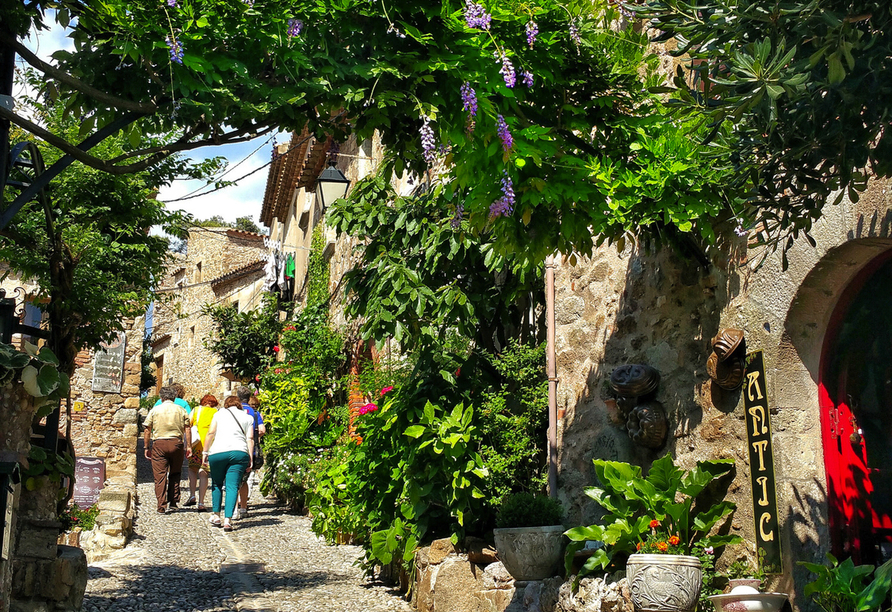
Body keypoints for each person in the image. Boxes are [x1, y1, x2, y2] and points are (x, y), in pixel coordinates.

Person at [202, 395, 254, 531]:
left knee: (217, 484)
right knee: (232, 486)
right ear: (239, 405)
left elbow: (210, 433)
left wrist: (205, 452)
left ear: (226, 404)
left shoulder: (219, 414)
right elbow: (250, 438)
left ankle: (216, 515)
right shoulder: (248, 418)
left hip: (218, 452)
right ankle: (228, 520)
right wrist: (250, 458)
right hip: (239, 452)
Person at [143, 385, 192, 513]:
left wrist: (146, 447)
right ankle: (174, 501)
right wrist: (189, 446)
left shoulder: (155, 410)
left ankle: (161, 505)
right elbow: (188, 428)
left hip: (159, 443)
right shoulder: (181, 410)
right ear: (174, 397)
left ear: (161, 397)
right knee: (175, 473)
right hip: (177, 443)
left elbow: (147, 429)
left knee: (160, 475)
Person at [236, 386, 265, 519]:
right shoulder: (254, 413)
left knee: (233, 479)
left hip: (235, 447)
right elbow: (262, 430)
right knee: (245, 479)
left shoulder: (233, 410)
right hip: (249, 449)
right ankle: (243, 507)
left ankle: (234, 507)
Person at [185, 394, 219, 510]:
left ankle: (192, 495)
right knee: (204, 473)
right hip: (209, 445)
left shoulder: (196, 410)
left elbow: (187, 424)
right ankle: (201, 502)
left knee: (192, 469)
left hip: (196, 444)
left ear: (203, 402)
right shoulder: (217, 413)